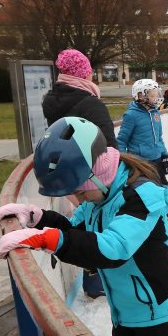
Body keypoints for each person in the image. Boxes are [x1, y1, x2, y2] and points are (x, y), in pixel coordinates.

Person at [0, 117, 168, 336]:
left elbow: (112, 250)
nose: (77, 200)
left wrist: (48, 240)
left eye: (80, 192)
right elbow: (76, 233)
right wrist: (38, 220)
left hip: (162, 314)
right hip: (126, 314)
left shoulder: (141, 195)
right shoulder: (99, 197)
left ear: (97, 175)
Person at [42, 48, 116, 299]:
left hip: (65, 172)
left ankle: (92, 279)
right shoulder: (89, 103)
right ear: (84, 74)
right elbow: (108, 146)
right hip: (92, 174)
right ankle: (98, 279)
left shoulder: (51, 99)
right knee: (98, 221)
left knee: (85, 220)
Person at [117, 79, 168, 235]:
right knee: (147, 196)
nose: (156, 98)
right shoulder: (131, 115)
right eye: (152, 95)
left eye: (156, 94)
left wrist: (165, 155)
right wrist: (124, 161)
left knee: (166, 191)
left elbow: (158, 138)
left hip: (156, 160)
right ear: (140, 96)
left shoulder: (155, 113)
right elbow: (121, 140)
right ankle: (150, 226)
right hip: (141, 164)